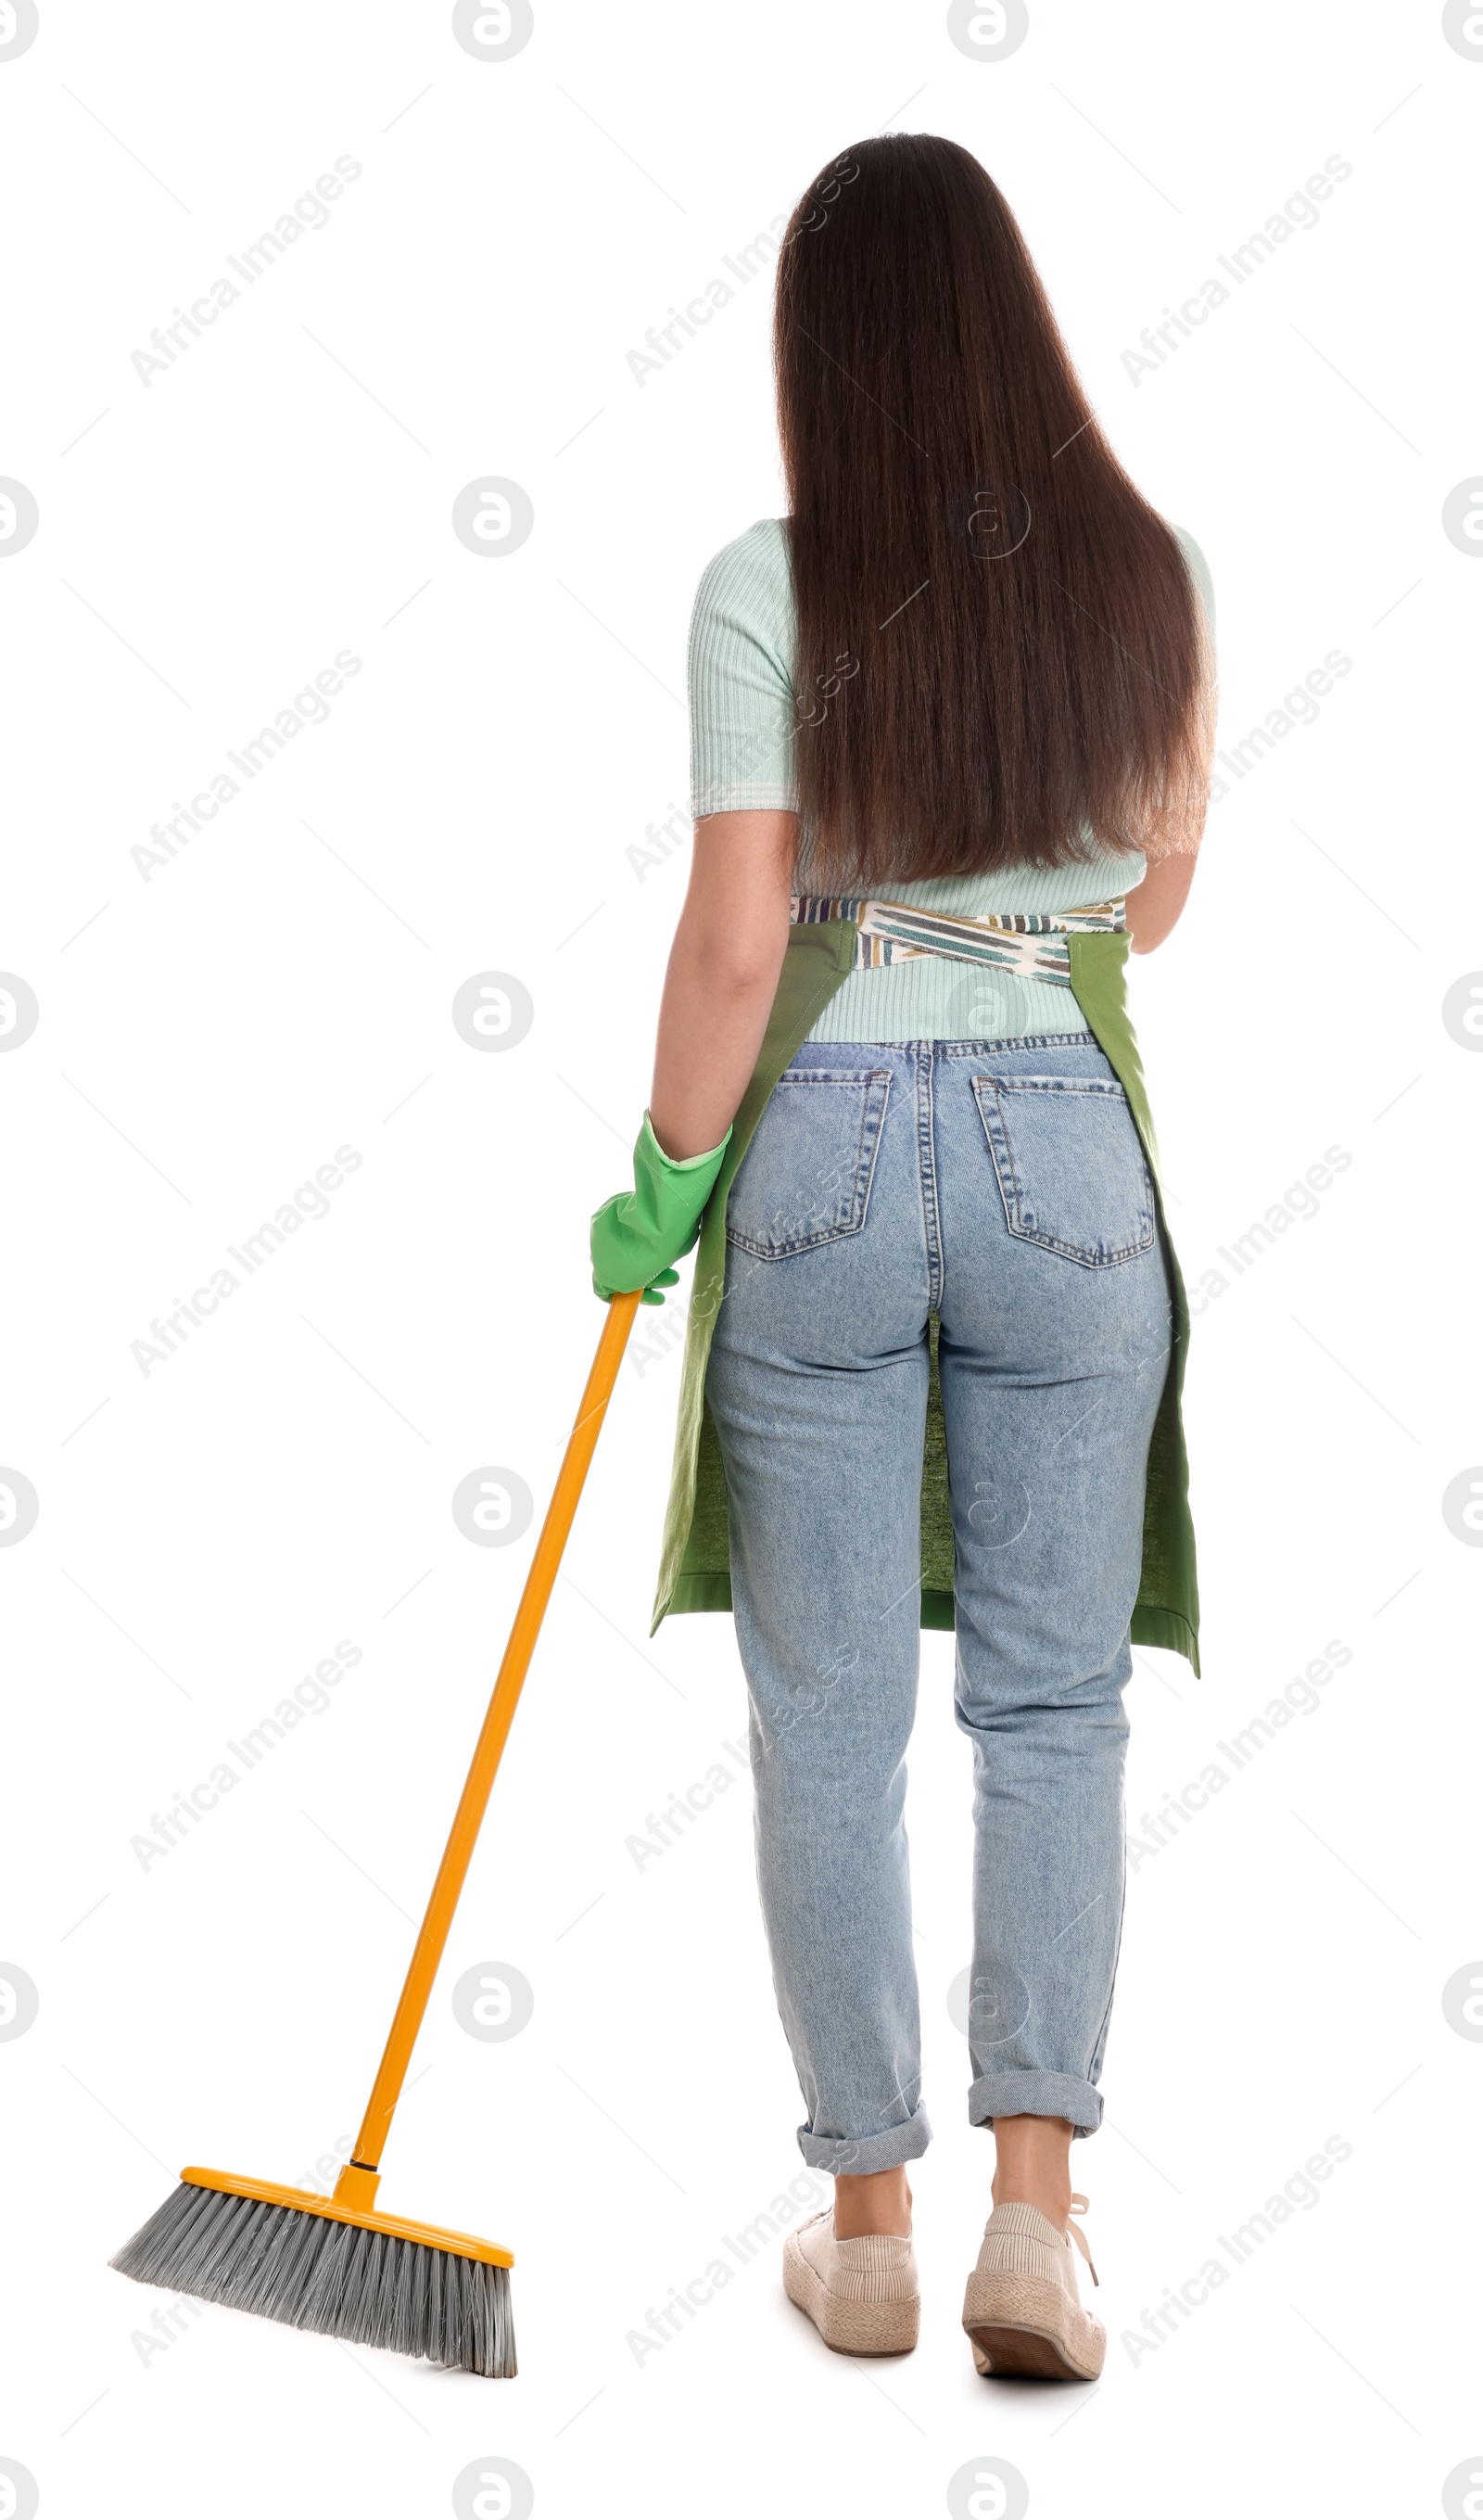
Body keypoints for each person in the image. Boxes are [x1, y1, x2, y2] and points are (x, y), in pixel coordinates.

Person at [591, 133, 1214, 2381]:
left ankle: (864, 2220)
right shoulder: (1151, 578)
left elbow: (742, 936)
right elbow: (1142, 903)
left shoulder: (762, 584)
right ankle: (1034, 2229)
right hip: (1065, 1139)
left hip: (827, 1151)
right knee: (1049, 1709)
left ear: (818, 361)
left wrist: (663, 1176)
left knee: (825, 1721)